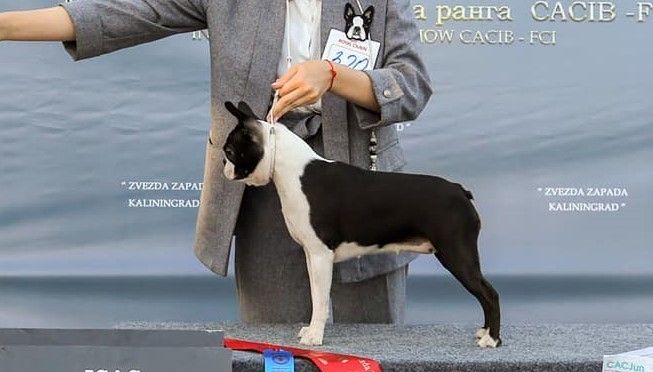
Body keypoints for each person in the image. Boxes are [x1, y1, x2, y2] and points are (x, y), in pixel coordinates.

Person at [0, 0, 432, 327]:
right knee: (275, 364)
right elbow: (125, 11)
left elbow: (411, 84)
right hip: (264, 188)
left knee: (378, 364)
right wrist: (5, 25)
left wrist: (334, 75)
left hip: (363, 191)